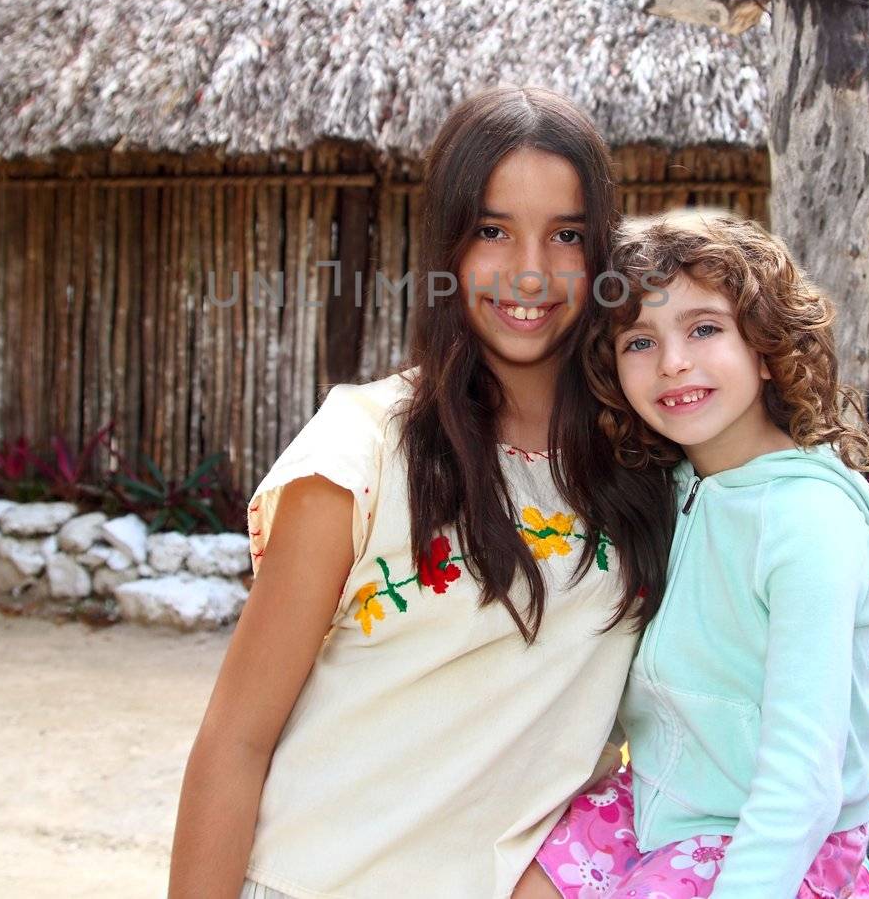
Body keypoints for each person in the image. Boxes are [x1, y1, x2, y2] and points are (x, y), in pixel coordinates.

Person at [169, 86, 675, 899]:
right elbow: (235, 741)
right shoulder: (358, 453)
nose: (531, 272)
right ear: (446, 244)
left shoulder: (645, 468)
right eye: (492, 230)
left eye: (567, 234)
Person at [519, 207, 869, 899]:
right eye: (638, 340)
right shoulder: (675, 489)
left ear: (766, 341)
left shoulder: (808, 521)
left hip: (771, 837)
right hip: (657, 798)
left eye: (704, 328)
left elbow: (803, 776)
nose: (674, 362)